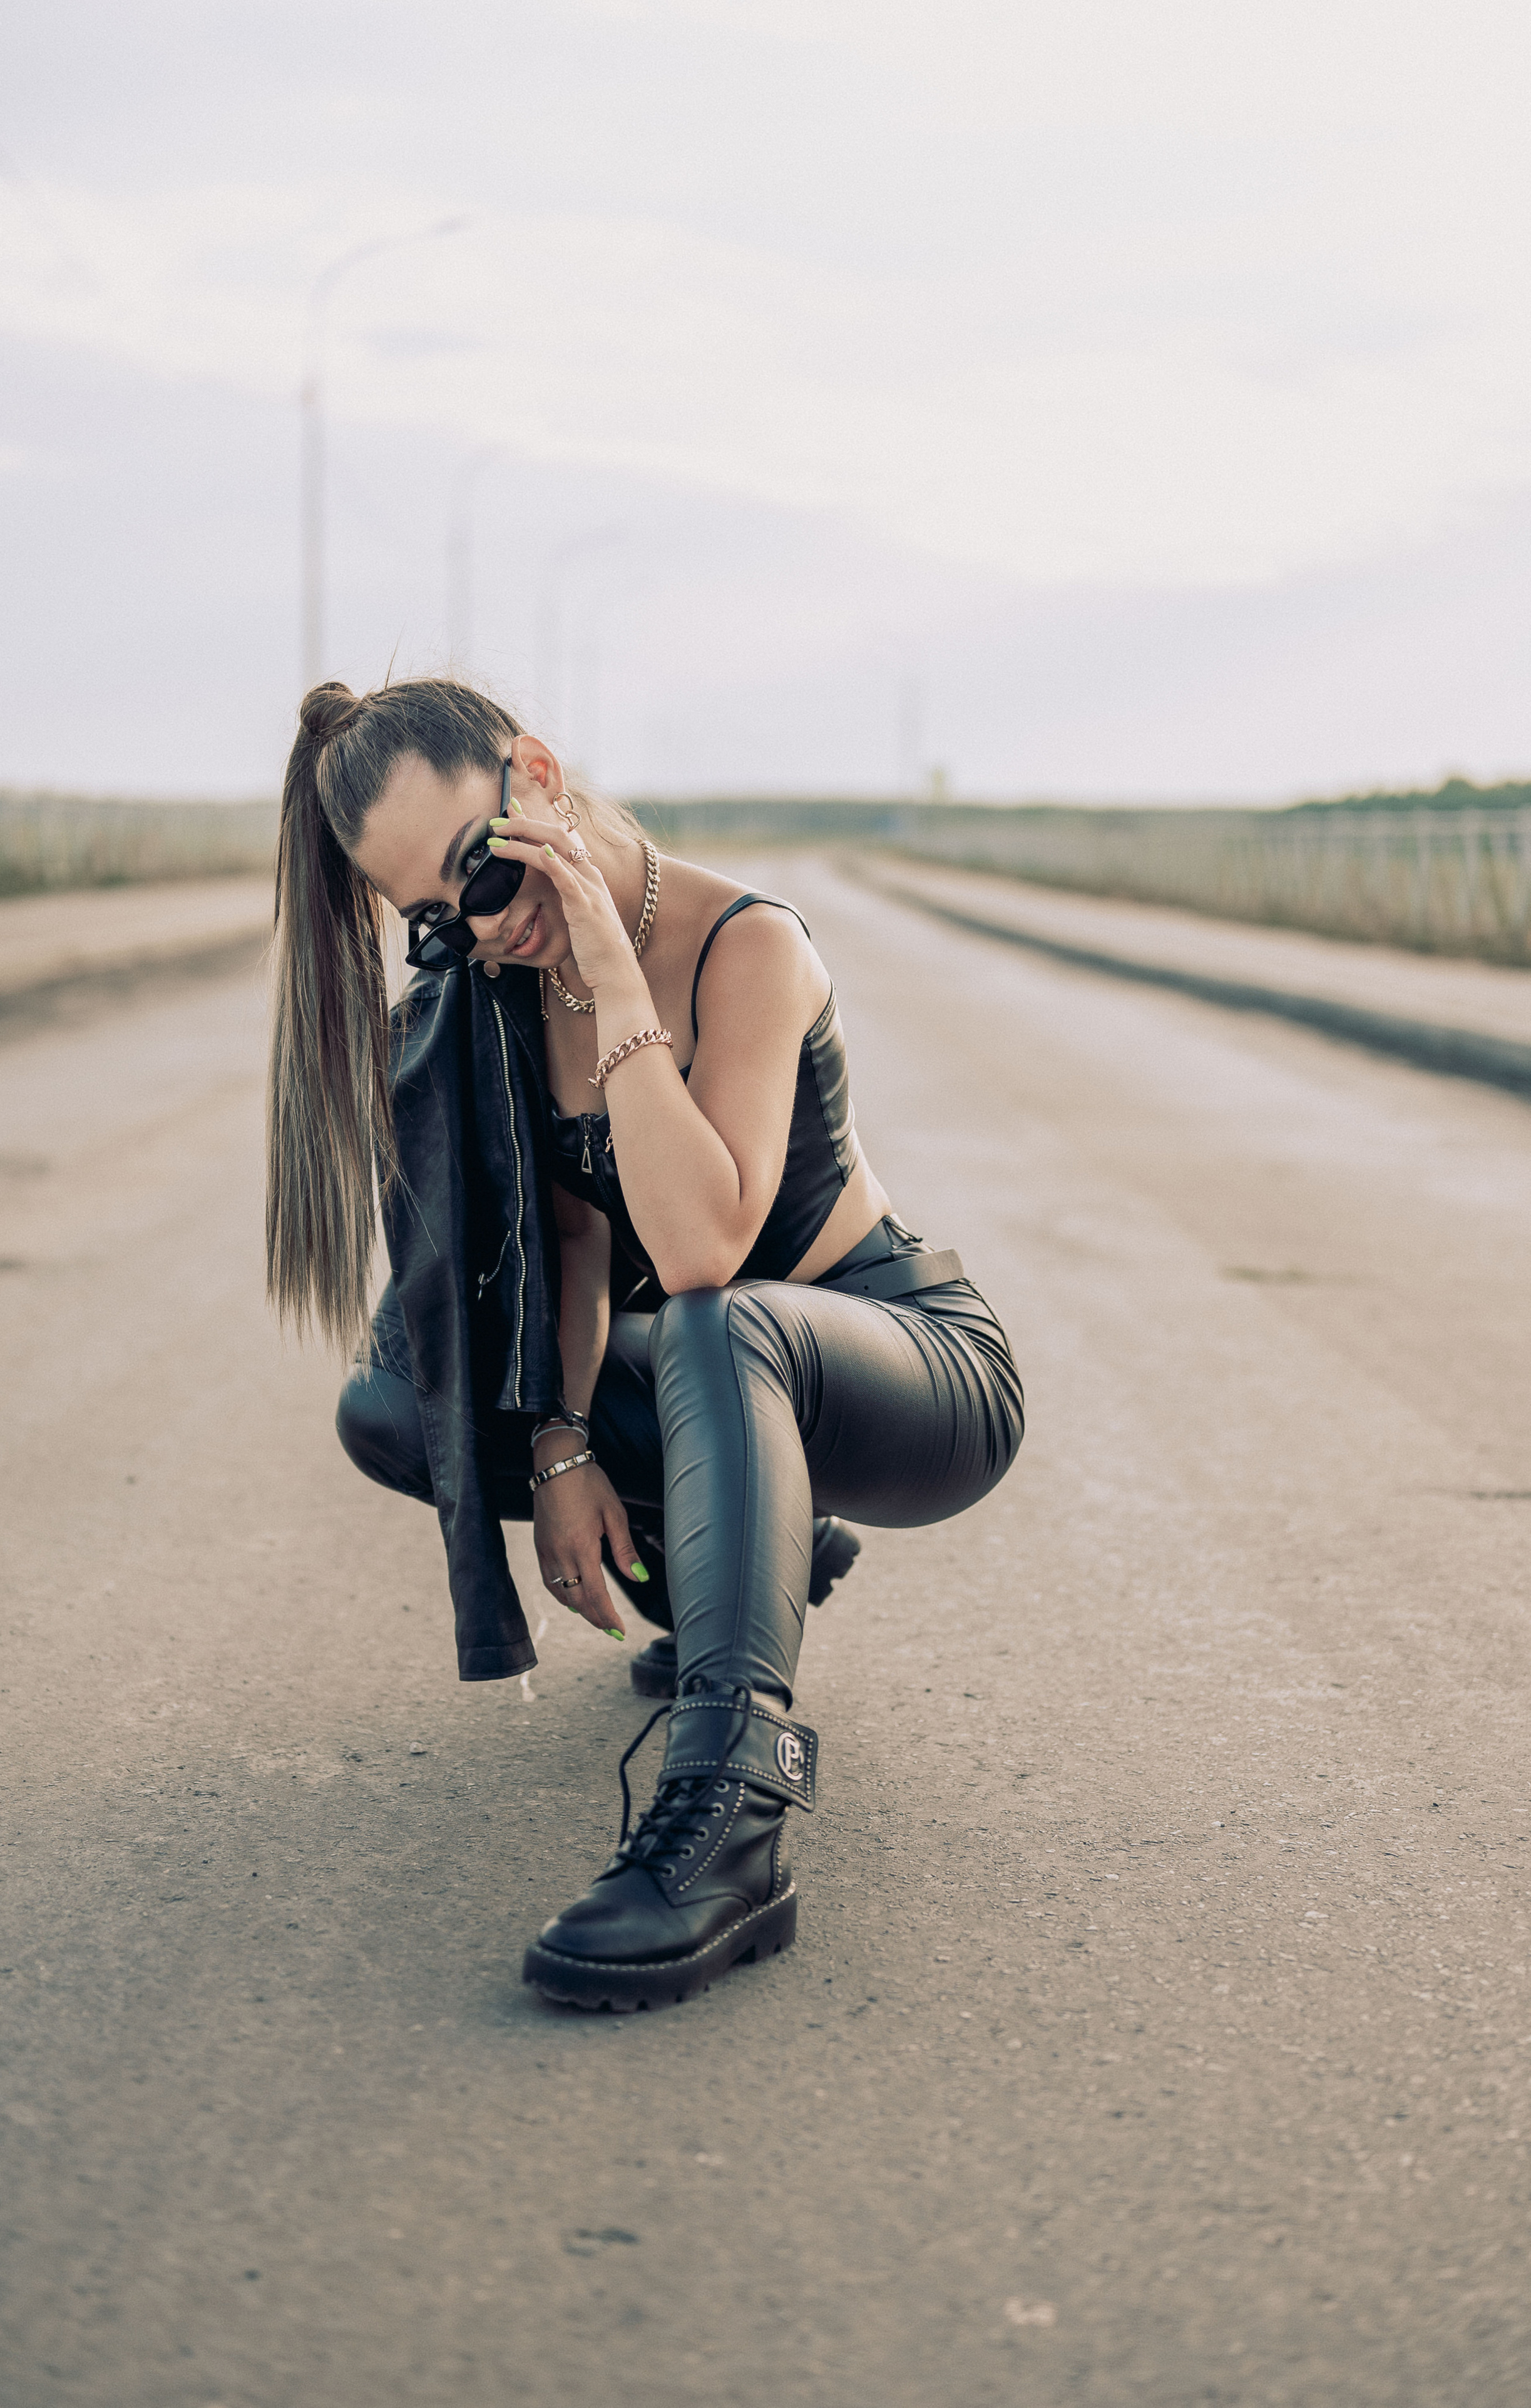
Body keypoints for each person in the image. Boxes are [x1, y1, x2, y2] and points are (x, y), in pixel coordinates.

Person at [267, 677, 1023, 2011]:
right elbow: (570, 1253)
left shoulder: (748, 946)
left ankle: (730, 1820)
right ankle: (738, 1554)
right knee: (399, 1401)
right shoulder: (513, 990)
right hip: (713, 1372)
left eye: (479, 876)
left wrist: (610, 970)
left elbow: (697, 1253)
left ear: (537, 781)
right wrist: (558, 1447)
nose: (484, 934)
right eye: (436, 927)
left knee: (716, 1326)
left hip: (910, 1367)